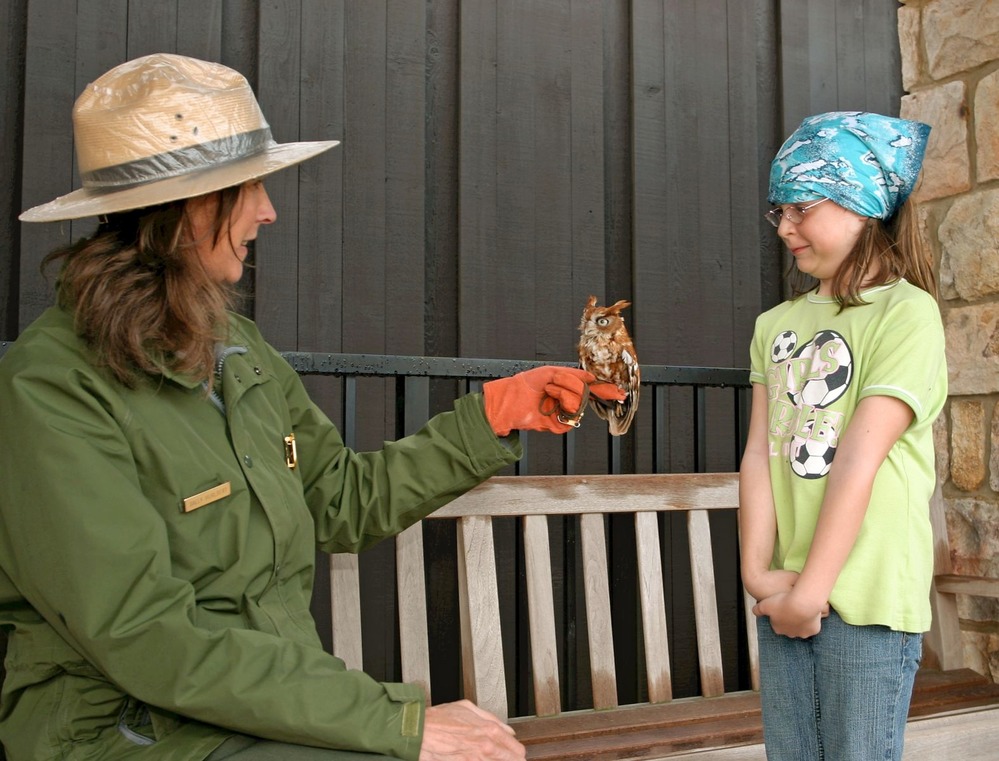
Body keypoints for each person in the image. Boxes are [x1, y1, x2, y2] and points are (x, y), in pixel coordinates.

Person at [0, 54, 624, 761]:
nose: (268, 210)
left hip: (253, 712)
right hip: (122, 732)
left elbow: (340, 499)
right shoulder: (53, 386)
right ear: (188, 206)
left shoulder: (236, 350)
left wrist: (494, 416)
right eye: (251, 186)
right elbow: (144, 634)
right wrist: (394, 718)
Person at [738, 111, 947, 760]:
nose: (784, 227)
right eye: (778, 211)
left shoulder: (907, 315)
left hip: (865, 602)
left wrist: (810, 592)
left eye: (801, 206)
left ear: (862, 205)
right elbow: (758, 454)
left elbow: (858, 458)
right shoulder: (774, 322)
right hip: (787, 596)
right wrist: (757, 574)